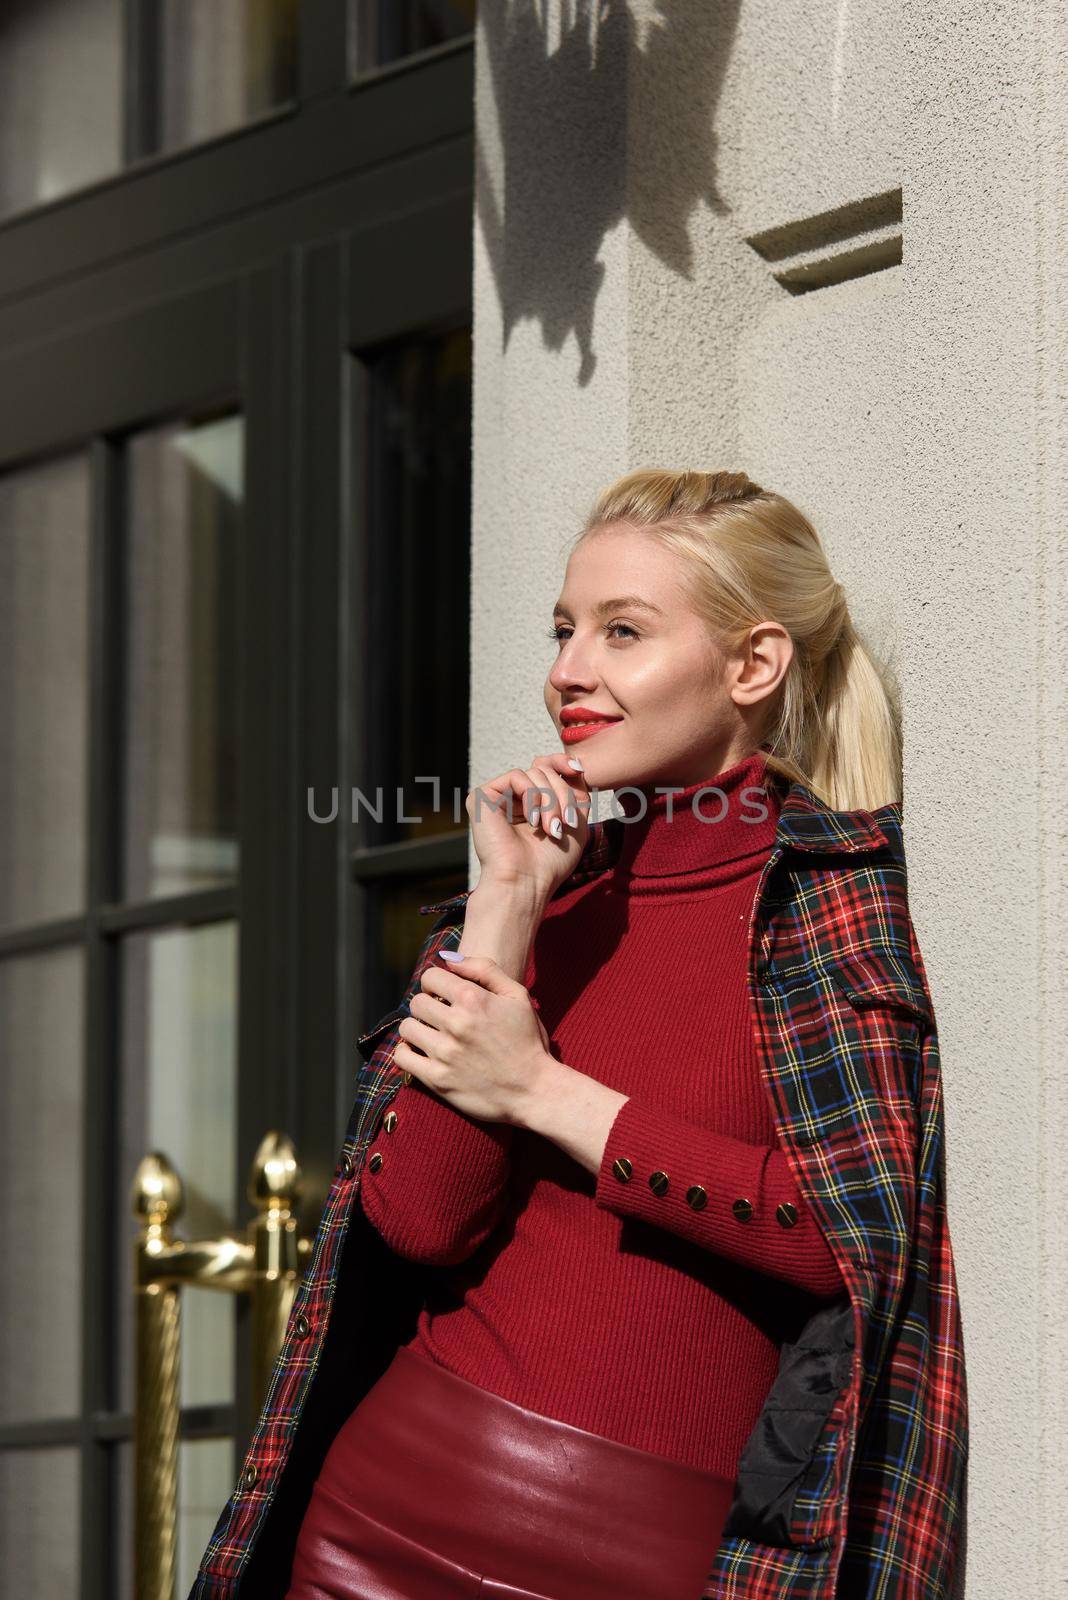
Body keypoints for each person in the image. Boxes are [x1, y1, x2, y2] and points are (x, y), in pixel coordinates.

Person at [190, 469, 968, 1600]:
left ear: (753, 665)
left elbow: (847, 1238)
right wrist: (503, 912)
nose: (568, 672)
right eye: (563, 629)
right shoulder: (540, 908)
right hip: (388, 1517)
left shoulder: (833, 903)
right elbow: (417, 1223)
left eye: (622, 632)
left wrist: (547, 1095)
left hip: (660, 1555)